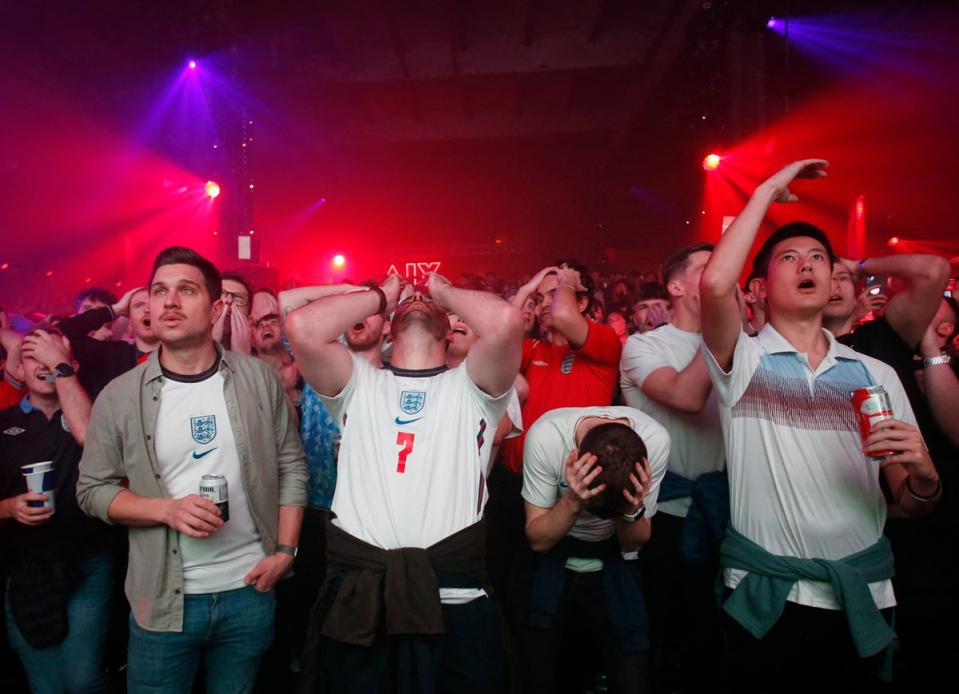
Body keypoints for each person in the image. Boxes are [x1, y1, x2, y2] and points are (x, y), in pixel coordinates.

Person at [699, 159, 942, 692]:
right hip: (765, 597)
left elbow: (908, 498)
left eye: (817, 258)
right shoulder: (743, 362)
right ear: (760, 287)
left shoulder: (873, 375)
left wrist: (925, 477)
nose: (806, 264)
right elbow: (716, 283)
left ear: (835, 279)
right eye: (789, 257)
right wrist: (765, 190)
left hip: (862, 594)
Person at [76, 246, 308, 694]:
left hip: (249, 591)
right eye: (159, 291)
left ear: (217, 306)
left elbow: (290, 464)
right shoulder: (121, 396)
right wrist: (165, 510)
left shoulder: (257, 378)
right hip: (163, 602)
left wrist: (286, 552)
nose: (169, 302)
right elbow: (91, 490)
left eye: (186, 290)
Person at [287, 272, 523, 693]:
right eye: (408, 302)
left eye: (429, 303)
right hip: (363, 601)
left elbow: (504, 322)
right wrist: (381, 295)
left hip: (453, 597)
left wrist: (442, 291)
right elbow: (303, 328)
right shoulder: (358, 384)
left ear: (451, 327)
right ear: (390, 323)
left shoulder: (472, 386)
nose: (417, 299)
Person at [619, 242, 727, 694]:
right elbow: (686, 396)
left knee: (718, 644)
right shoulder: (645, 345)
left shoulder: (749, 345)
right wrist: (724, 332)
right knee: (664, 639)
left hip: (732, 514)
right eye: (708, 269)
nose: (722, 275)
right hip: (662, 518)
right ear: (676, 286)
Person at [520, 406, 669, 694]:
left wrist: (633, 509)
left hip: (617, 562)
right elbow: (538, 540)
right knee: (541, 673)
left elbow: (633, 542)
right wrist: (574, 500)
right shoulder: (547, 437)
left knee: (632, 676)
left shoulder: (654, 441)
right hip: (554, 555)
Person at [1, 329, 113, 692]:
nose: (45, 364)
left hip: (88, 561)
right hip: (25, 569)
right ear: (18, 369)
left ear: (71, 366)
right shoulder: (2, 424)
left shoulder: (92, 412)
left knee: (83, 680)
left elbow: (97, 441)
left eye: (54, 356)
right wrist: (7, 508)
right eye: (35, 356)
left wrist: (62, 370)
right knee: (45, 685)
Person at [57, 285, 159, 400]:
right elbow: (58, 334)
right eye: (139, 305)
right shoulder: (108, 354)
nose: (147, 310)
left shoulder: (180, 356)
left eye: (153, 305)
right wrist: (116, 309)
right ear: (128, 317)